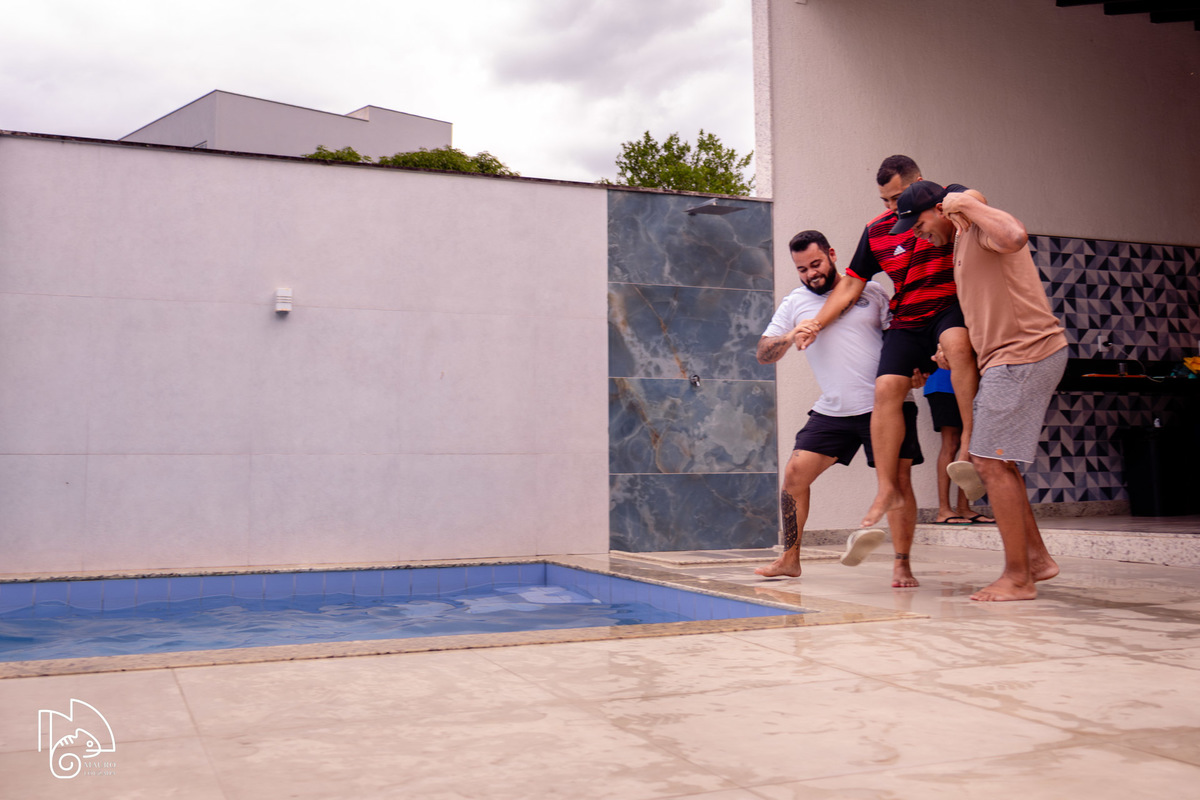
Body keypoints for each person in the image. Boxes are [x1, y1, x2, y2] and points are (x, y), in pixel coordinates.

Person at [893, 180, 1068, 601]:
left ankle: (1018, 578)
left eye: (919, 224)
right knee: (997, 462)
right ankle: (1035, 560)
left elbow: (1015, 235)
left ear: (940, 210)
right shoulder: (960, 246)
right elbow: (987, 308)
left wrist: (965, 202)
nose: (917, 234)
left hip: (1024, 353)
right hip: (1007, 358)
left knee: (988, 461)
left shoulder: (977, 229)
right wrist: (951, 349)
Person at [793, 156, 980, 530]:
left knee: (958, 346)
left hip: (947, 308)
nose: (892, 207)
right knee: (886, 388)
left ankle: (969, 448)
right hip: (907, 319)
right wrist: (816, 324)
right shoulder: (878, 230)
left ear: (919, 182)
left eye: (897, 197)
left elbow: (977, 200)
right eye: (885, 200)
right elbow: (851, 283)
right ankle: (885, 490)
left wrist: (958, 201)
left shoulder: (945, 201)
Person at [754, 230, 924, 588]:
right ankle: (790, 559)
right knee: (795, 476)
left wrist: (916, 370)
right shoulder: (795, 302)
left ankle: (902, 566)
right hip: (834, 409)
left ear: (832, 254)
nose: (810, 274)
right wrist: (790, 335)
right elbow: (764, 353)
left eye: (816, 264)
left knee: (899, 482)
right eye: (802, 269)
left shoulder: (872, 291)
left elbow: (900, 339)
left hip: (886, 405)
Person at [924, 368, 994, 525]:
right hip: (944, 384)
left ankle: (964, 508)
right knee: (951, 442)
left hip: (971, 385)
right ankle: (944, 510)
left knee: (970, 442)